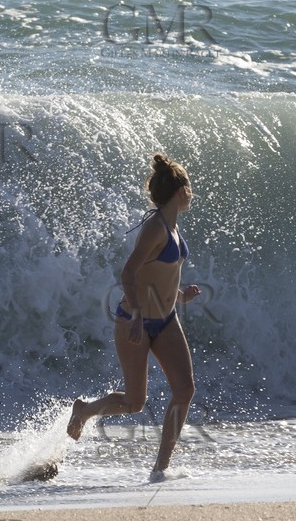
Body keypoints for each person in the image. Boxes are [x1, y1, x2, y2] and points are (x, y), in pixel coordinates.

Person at [68, 153, 200, 482]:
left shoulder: (172, 225)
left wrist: (181, 295)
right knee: (133, 402)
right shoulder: (155, 227)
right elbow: (128, 273)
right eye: (189, 186)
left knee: (185, 390)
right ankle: (84, 411)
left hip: (167, 318)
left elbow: (159, 274)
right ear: (180, 191)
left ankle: (160, 469)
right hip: (134, 320)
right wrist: (139, 316)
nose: (193, 193)